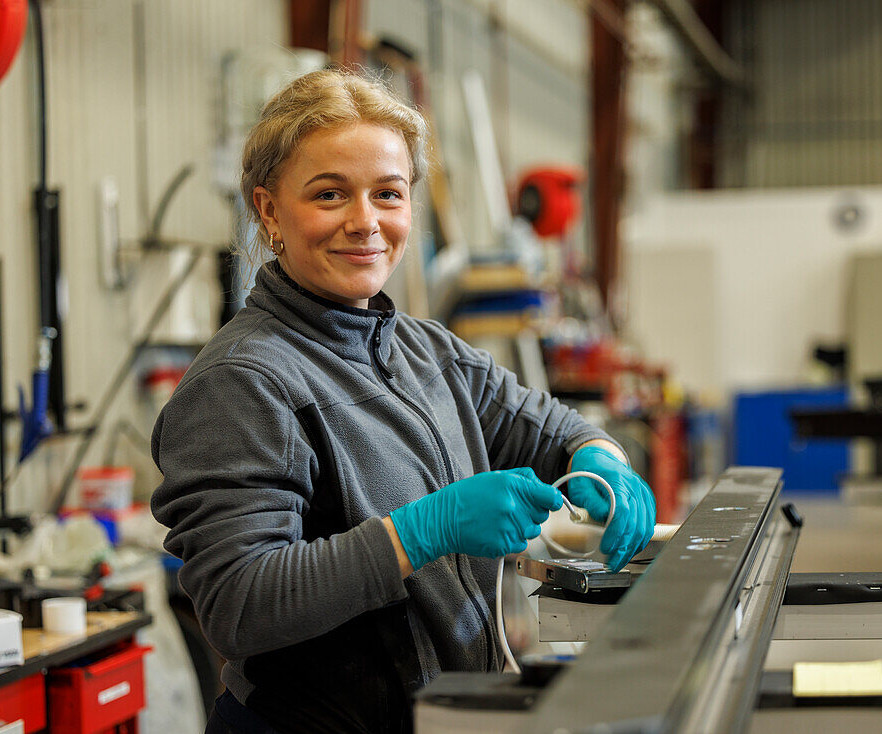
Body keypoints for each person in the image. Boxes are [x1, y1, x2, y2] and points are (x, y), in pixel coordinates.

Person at [150, 68, 656, 734]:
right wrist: (422, 533)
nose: (366, 222)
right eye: (330, 194)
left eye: (387, 194)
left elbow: (553, 427)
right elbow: (241, 604)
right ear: (269, 210)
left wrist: (605, 457)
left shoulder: (426, 350)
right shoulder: (243, 382)